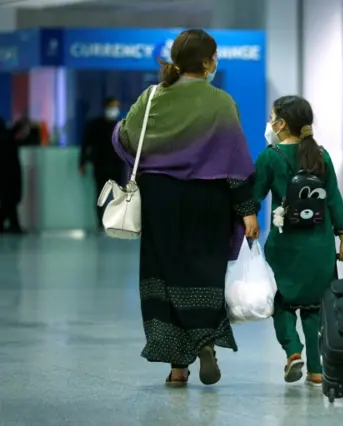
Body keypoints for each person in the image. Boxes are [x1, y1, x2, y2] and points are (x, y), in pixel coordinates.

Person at [111, 29, 260, 387]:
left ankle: (178, 367)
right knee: (203, 274)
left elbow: (126, 138)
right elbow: (237, 166)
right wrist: (247, 210)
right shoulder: (221, 103)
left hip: (161, 202)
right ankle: (206, 341)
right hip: (208, 204)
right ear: (208, 61)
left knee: (165, 276)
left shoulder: (150, 99)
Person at [253, 95, 343, 387]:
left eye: (273, 117)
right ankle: (315, 368)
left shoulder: (270, 156)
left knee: (283, 300)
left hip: (285, 245)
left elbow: (254, 197)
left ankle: (292, 351)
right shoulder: (321, 156)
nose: (270, 123)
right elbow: (334, 199)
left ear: (282, 124)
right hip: (320, 246)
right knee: (314, 306)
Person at [79, 97, 125, 229]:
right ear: (106, 107)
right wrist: (82, 162)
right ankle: (100, 223)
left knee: (119, 196)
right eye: (112, 106)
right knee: (100, 196)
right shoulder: (95, 125)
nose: (115, 110)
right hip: (100, 165)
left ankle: (118, 222)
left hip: (117, 165)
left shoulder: (120, 125)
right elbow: (85, 144)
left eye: (117, 106)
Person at [0, 117, 24, 233]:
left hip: (9, 169)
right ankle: (13, 224)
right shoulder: (4, 133)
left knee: (10, 199)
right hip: (6, 170)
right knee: (9, 199)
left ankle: (15, 224)